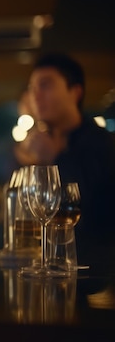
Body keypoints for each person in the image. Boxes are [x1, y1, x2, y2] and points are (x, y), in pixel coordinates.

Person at [21, 52, 115, 276]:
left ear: (75, 92)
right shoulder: (43, 140)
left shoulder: (101, 142)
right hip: (53, 266)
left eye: (45, 85)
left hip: (98, 273)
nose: (36, 95)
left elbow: (90, 208)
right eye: (33, 88)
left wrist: (56, 157)